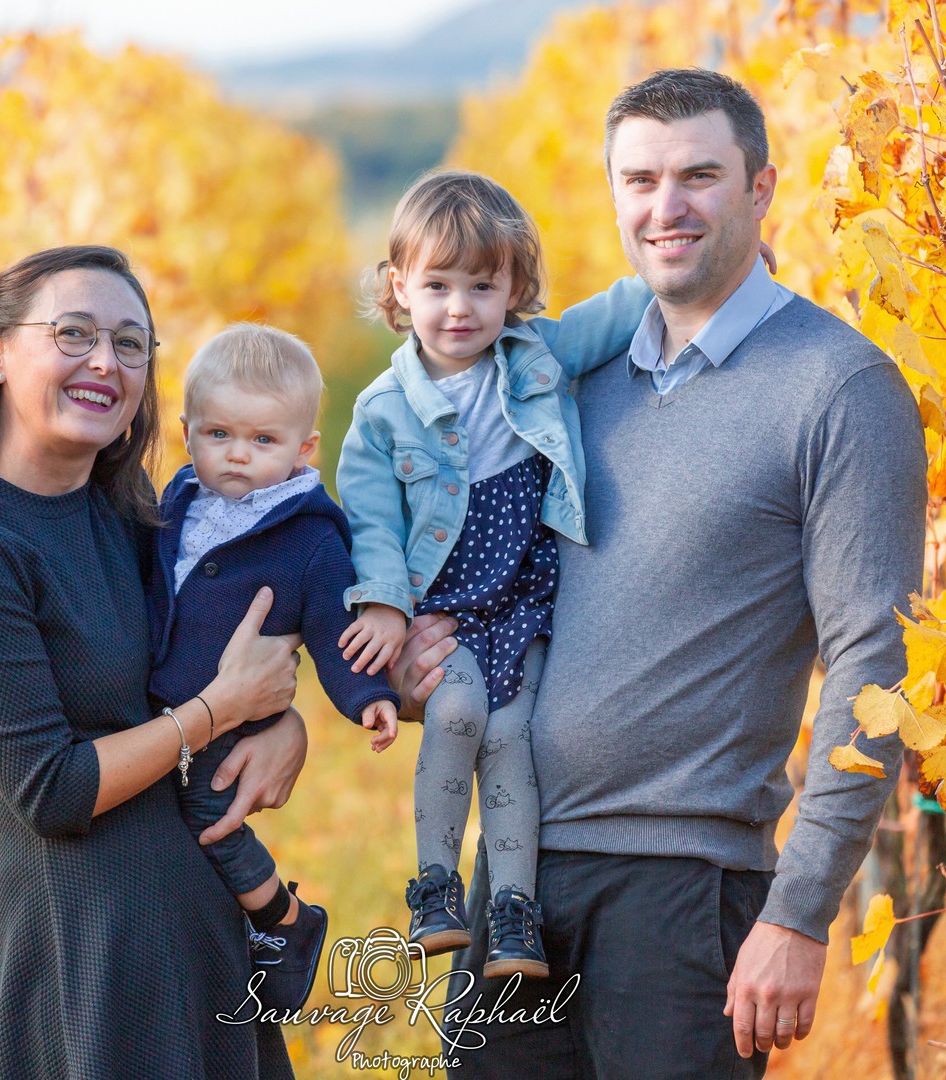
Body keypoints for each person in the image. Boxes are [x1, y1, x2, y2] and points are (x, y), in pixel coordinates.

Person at [392, 71, 927, 1078]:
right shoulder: (566, 383)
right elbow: (499, 571)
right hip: (517, 876)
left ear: (762, 189)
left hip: (686, 893)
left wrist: (800, 912)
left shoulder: (839, 389)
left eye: (699, 176)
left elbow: (875, 665)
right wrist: (428, 652)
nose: (665, 206)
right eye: (639, 180)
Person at [0, 246, 310, 1079]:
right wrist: (218, 713)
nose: (104, 362)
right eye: (74, 333)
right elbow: (54, 790)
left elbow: (215, 659)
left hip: (199, 934)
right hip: (89, 959)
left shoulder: (130, 512)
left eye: (129, 344)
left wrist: (285, 723)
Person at [336, 171, 651, 979]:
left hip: (522, 597)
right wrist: (385, 604)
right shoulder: (382, 411)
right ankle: (435, 889)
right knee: (459, 712)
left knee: (514, 736)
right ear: (399, 288)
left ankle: (514, 915)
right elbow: (371, 521)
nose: (460, 308)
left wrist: (702, 269)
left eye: (483, 286)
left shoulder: (533, 356)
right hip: (446, 602)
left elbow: (613, 313)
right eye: (437, 286)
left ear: (514, 290)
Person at [147, 322, 399, 1012]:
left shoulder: (309, 539)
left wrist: (367, 695)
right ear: (188, 432)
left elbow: (333, 629)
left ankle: (284, 922)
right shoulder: (176, 503)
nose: (237, 455)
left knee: (208, 812)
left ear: (302, 449)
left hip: (229, 721)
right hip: (166, 708)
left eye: (263, 440)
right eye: (218, 434)